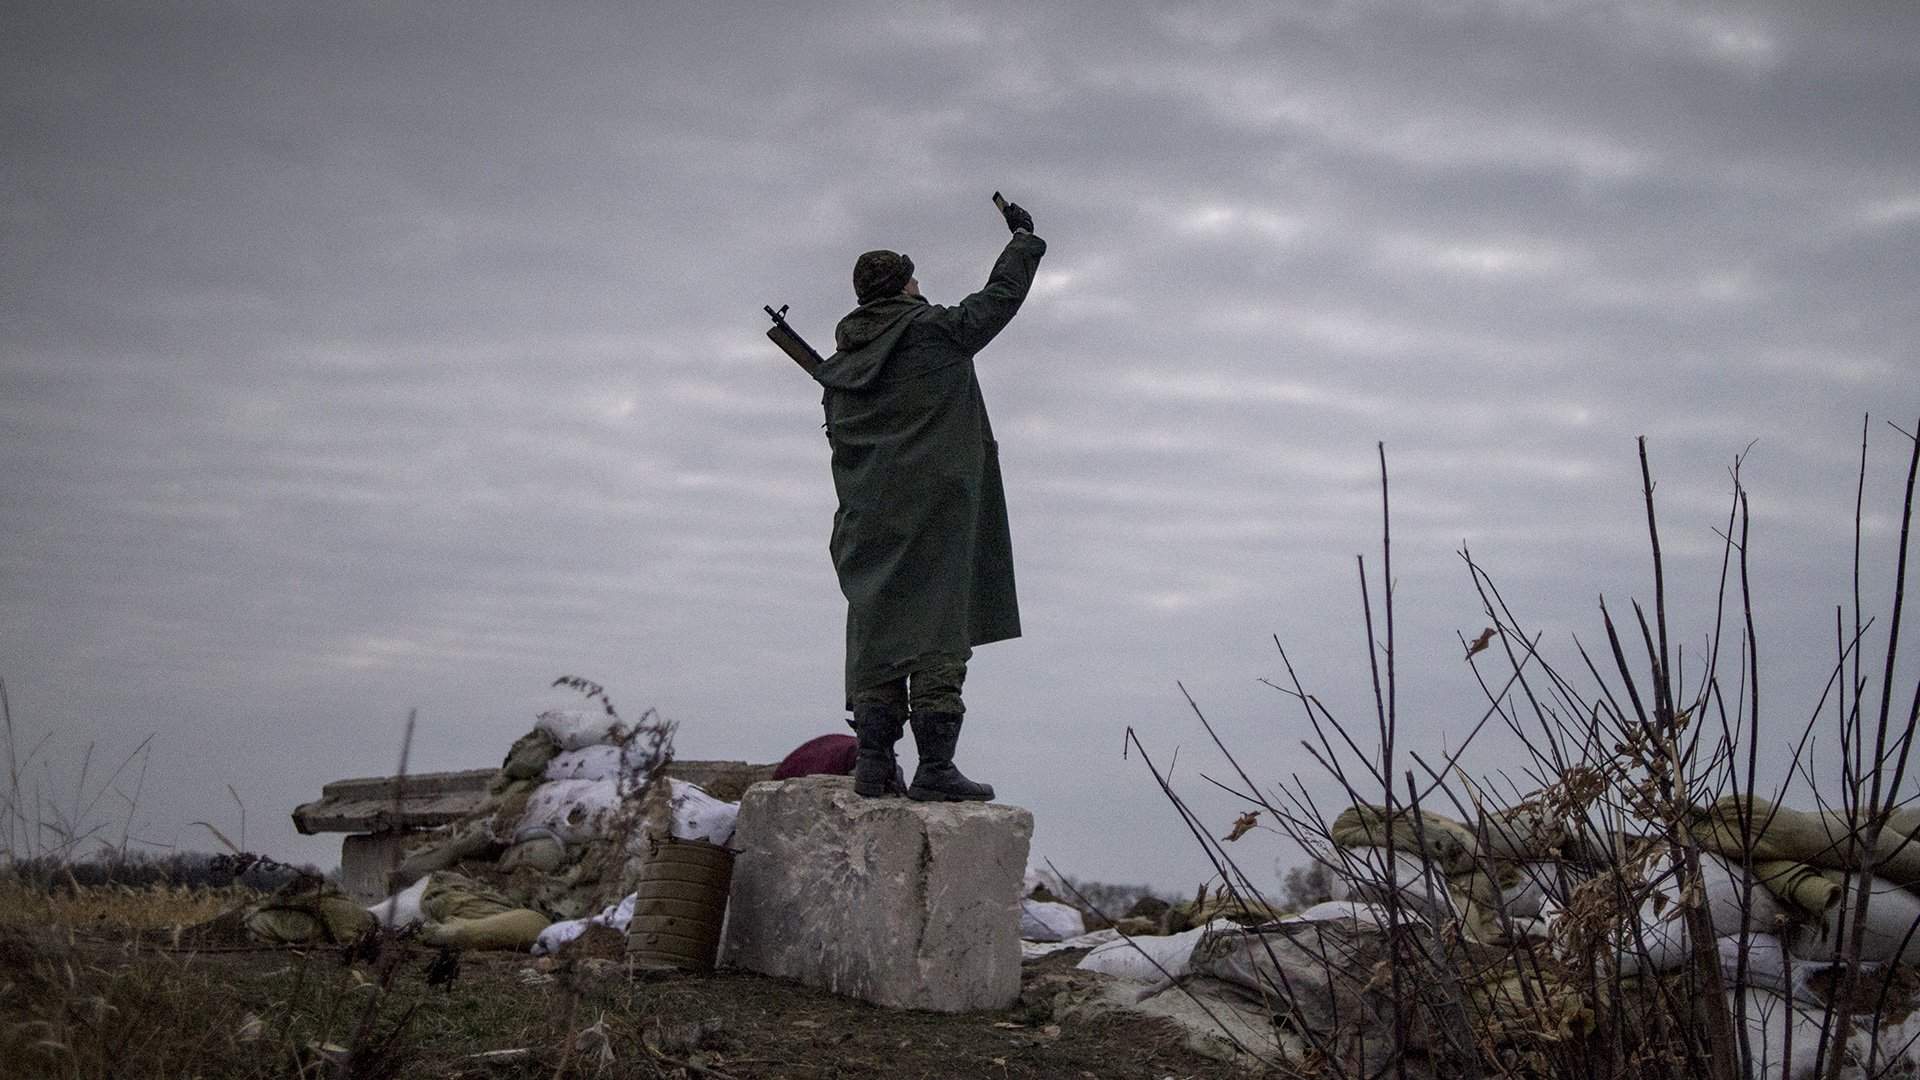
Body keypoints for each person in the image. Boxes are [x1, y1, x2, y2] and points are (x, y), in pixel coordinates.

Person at [812, 199, 1046, 802]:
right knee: (938, 634)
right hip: (934, 514)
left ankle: (872, 764)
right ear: (903, 286)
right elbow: (999, 299)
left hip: (865, 523)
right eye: (915, 277)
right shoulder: (934, 333)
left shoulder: (840, 368)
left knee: (876, 637)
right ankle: (935, 768)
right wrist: (1023, 238)